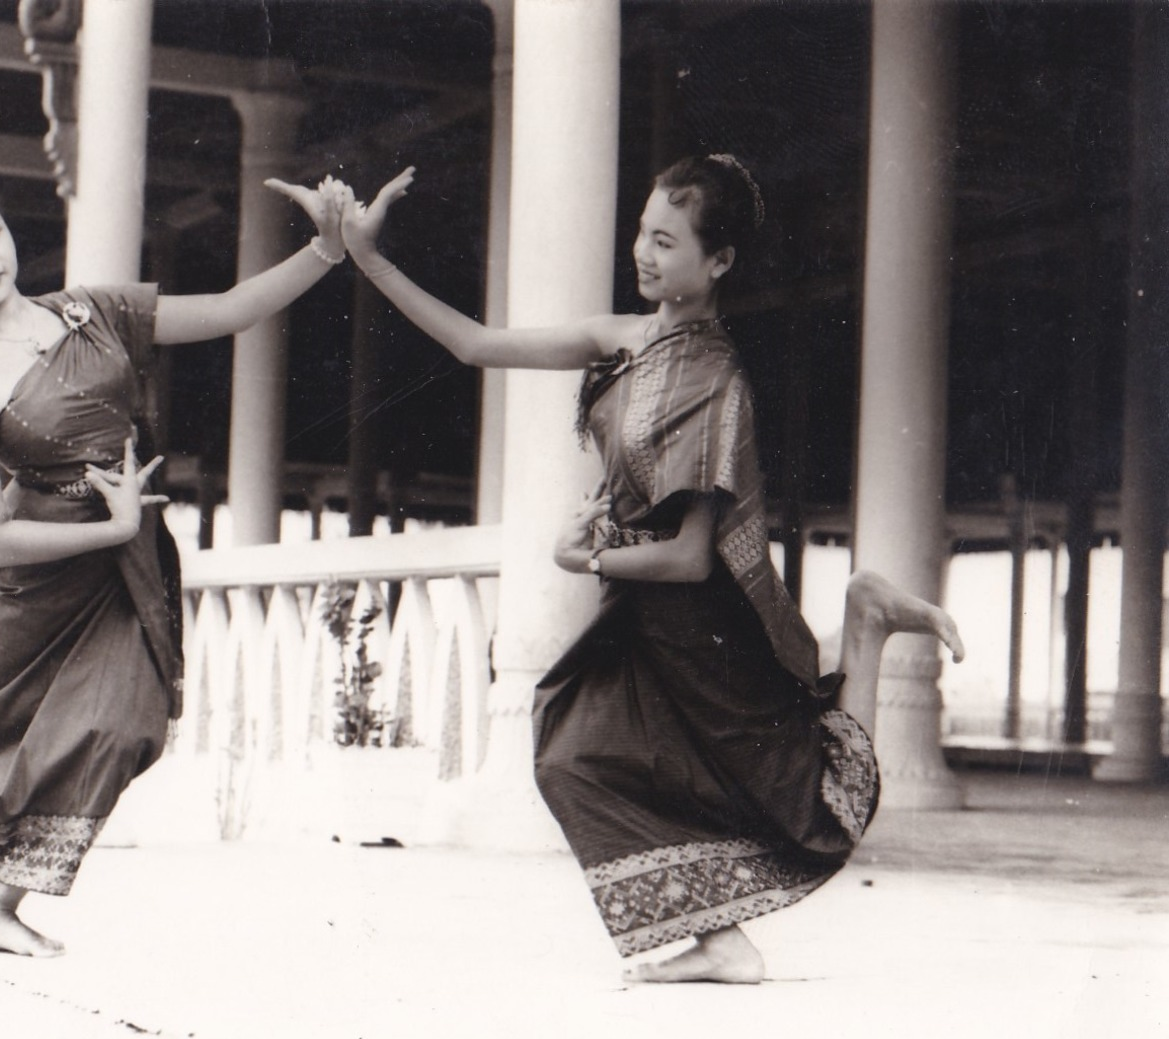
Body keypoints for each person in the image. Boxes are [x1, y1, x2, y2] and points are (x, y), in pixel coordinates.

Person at [341, 157, 966, 984]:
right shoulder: (622, 337)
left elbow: (688, 555)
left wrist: (584, 555)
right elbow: (474, 344)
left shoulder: (717, 381)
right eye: (641, 231)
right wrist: (366, 256)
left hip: (703, 623)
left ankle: (865, 616)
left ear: (718, 263)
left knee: (813, 812)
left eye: (665, 241)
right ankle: (722, 940)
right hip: (640, 612)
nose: (642, 252)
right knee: (573, 754)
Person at [0, 165, 354, 957]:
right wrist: (110, 526)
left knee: (124, 725)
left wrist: (326, 250)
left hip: (122, 562)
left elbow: (232, 310)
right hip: (40, 570)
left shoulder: (96, 310)